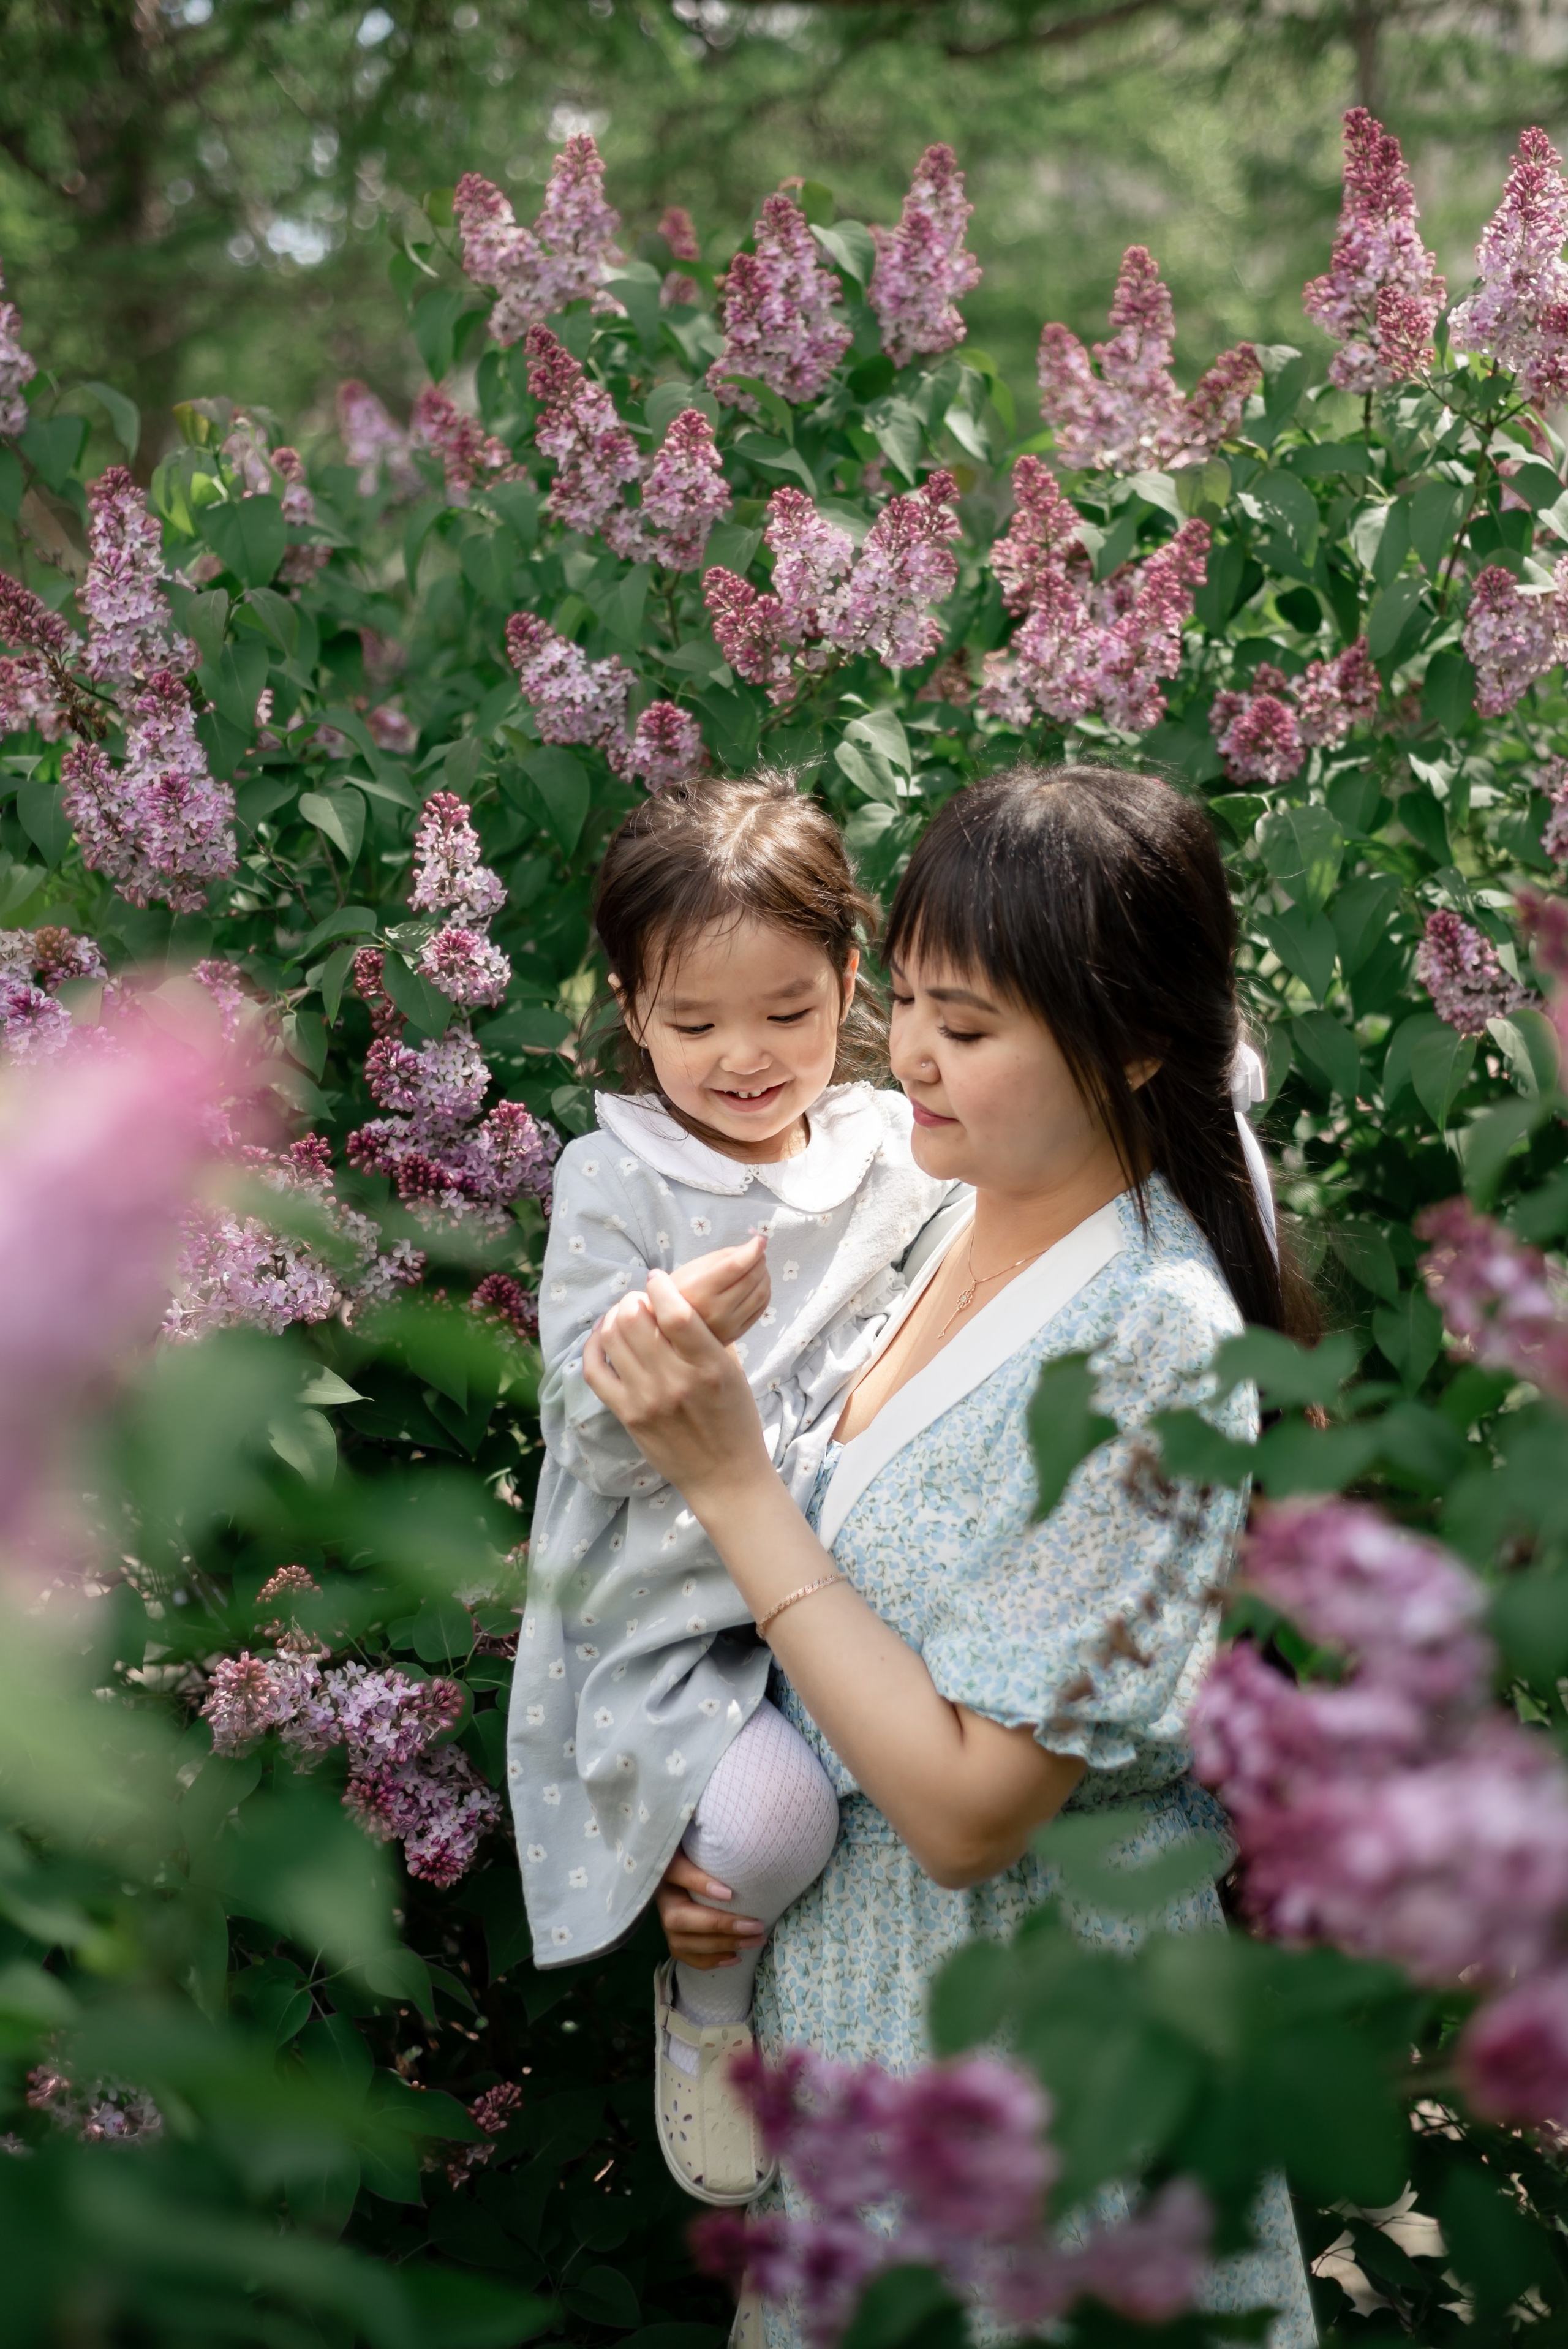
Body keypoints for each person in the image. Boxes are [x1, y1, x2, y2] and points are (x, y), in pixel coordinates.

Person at [580, 764, 1319, 2348]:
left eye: (969, 1028)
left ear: (1131, 1041)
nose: (908, 1051)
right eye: (907, 999)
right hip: (860, 2029)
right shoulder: (939, 1214)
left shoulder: (1150, 1341)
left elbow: (977, 1806)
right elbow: (857, 1653)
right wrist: (740, 1865)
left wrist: (729, 1480)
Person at [505, 772, 959, 2207]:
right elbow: (579, 1433)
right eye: (692, 1023)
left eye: (787, 1011)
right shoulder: (613, 1176)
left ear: (848, 980)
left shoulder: (884, 1146)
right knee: (773, 1828)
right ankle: (705, 2016)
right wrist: (664, 1346)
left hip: (842, 1574)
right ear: (631, 1012)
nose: (744, 1057)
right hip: (671, 1608)